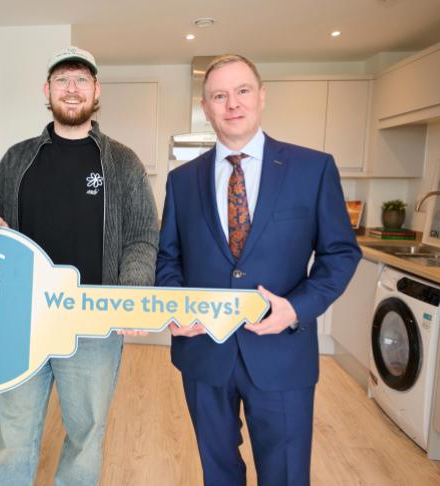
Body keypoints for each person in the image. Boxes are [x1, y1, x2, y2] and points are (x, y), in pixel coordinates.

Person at [156, 55, 361, 485]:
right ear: (206, 107)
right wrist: (176, 305)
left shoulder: (312, 168)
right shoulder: (182, 181)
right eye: (219, 96)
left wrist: (297, 308)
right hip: (203, 353)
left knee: (285, 475)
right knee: (218, 473)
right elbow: (169, 258)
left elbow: (341, 252)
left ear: (262, 96)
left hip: (282, 352)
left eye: (243, 91)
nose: (232, 104)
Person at [0, 46, 158, 485]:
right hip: (22, 320)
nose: (71, 89)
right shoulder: (18, 158)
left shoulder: (123, 162)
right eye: (62, 80)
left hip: (91, 323)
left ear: (96, 90)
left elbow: (141, 236)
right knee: (13, 435)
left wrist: (131, 295)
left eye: (81, 80)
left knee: (86, 434)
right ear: (47, 90)